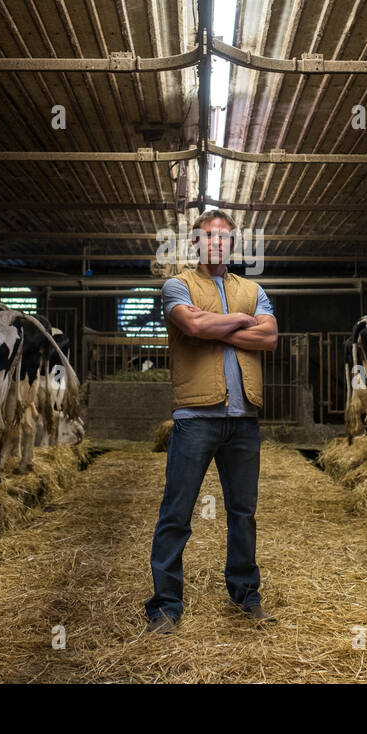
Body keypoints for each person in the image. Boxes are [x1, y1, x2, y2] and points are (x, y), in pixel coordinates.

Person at [143, 209, 278, 633]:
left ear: (233, 244)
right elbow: (192, 323)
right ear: (196, 244)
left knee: (243, 512)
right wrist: (240, 322)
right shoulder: (178, 285)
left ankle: (245, 595)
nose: (216, 243)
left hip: (243, 421)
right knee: (177, 513)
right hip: (195, 417)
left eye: (223, 237)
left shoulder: (253, 289)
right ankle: (166, 606)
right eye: (207, 237)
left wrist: (212, 327)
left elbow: (269, 337)